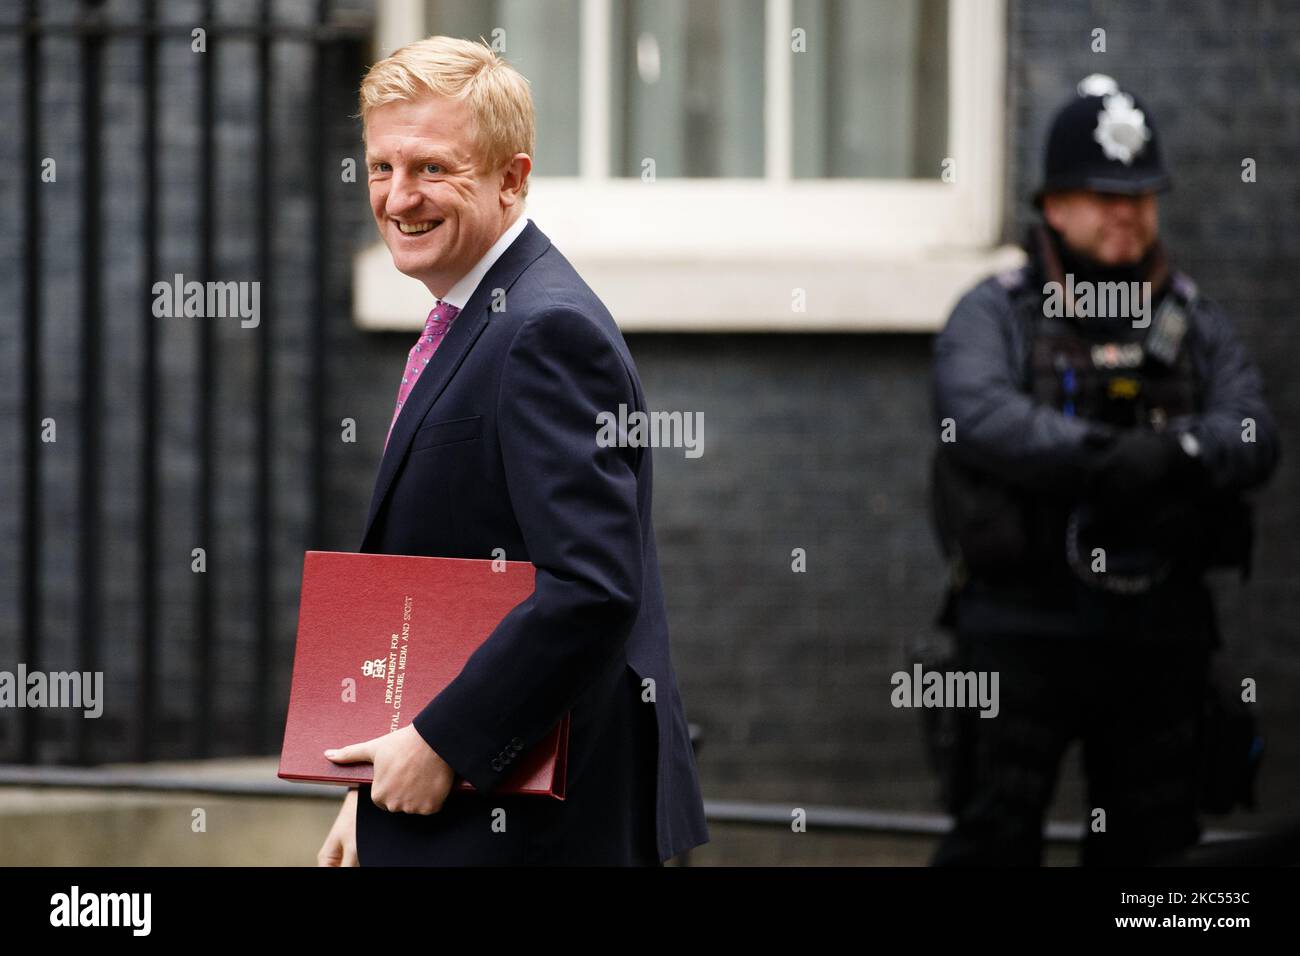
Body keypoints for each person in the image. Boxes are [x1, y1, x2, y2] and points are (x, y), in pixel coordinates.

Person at [315, 35, 708, 866]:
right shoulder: (478, 313)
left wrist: (440, 746)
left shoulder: (545, 331)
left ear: (512, 178)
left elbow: (592, 589)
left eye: (430, 168)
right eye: (381, 167)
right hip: (459, 809)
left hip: (531, 828)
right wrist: (368, 787)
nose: (396, 196)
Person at [928, 74, 1279, 866]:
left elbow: (1254, 432)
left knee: (1152, 856)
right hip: (1021, 627)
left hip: (1159, 636)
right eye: (1104, 195)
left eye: (1142, 196)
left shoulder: (1194, 319)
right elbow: (975, 418)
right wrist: (1107, 458)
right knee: (992, 838)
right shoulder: (997, 311)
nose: (1128, 213)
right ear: (1053, 203)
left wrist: (1177, 453)